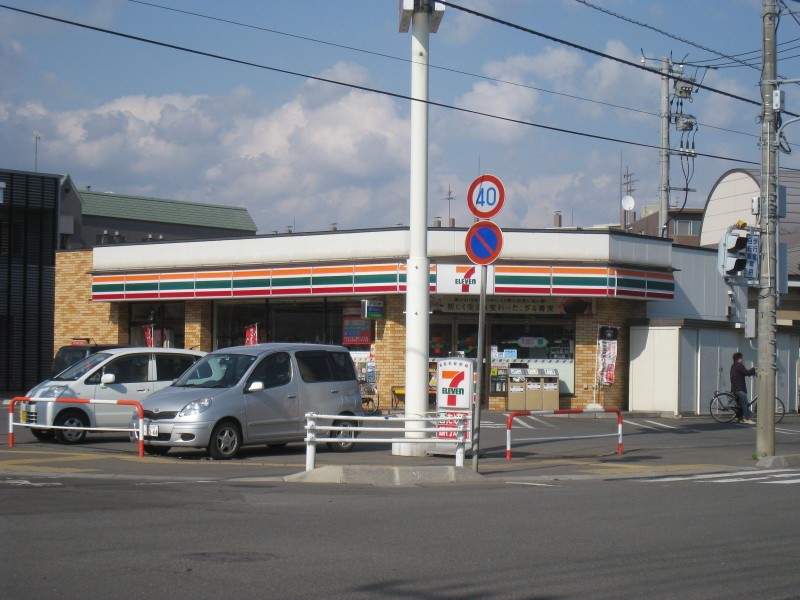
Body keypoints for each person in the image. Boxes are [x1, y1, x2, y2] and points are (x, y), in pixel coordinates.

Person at [730, 352, 757, 424]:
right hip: (740, 388)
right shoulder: (739, 365)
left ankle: (739, 418)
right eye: (741, 358)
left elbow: (743, 373)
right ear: (739, 359)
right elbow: (747, 372)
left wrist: (751, 372)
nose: (742, 359)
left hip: (735, 388)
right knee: (744, 403)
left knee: (740, 404)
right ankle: (748, 418)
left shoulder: (733, 366)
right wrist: (753, 369)